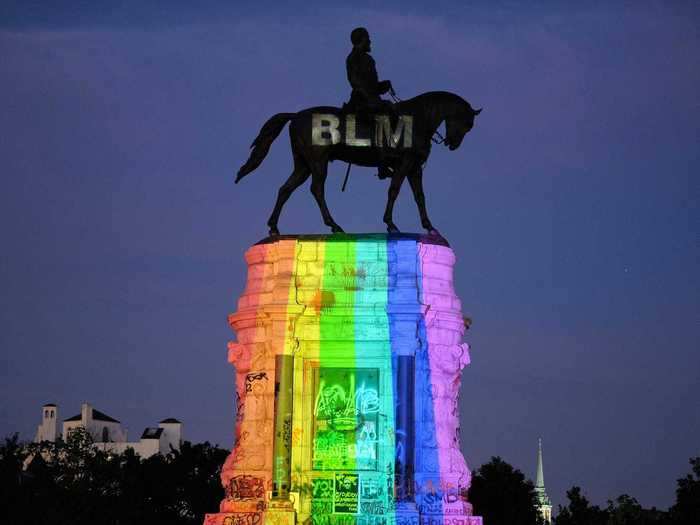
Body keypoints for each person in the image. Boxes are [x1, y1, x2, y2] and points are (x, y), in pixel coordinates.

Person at [346, 27, 397, 179]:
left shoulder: (367, 59)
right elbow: (356, 82)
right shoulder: (353, 58)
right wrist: (370, 98)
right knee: (383, 116)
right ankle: (383, 161)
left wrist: (382, 86)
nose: (370, 41)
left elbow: (372, 86)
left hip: (371, 99)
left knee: (392, 111)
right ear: (361, 40)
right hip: (361, 101)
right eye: (367, 38)